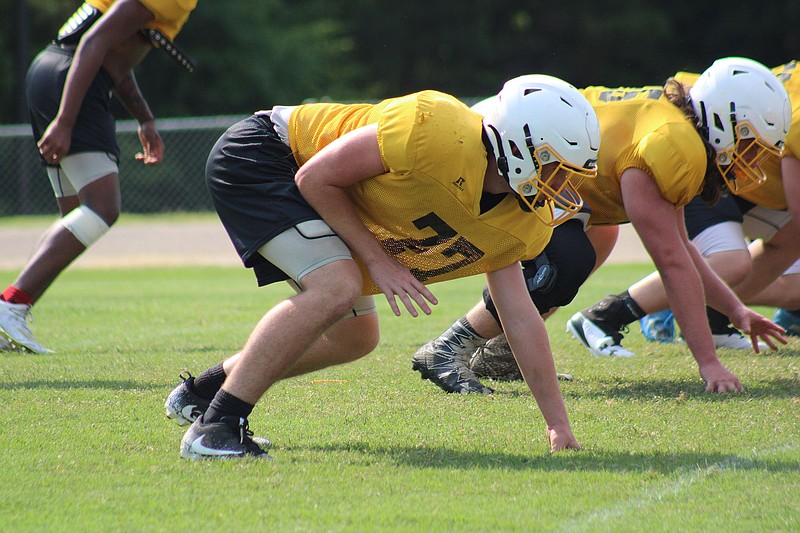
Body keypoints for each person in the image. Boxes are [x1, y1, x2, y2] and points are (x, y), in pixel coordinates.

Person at [164, 74, 601, 459]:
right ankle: (217, 428)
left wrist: (557, 424)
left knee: (356, 338)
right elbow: (315, 177)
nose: (563, 187)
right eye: (556, 169)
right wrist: (380, 261)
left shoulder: (521, 222)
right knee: (336, 286)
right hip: (267, 154)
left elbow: (521, 318)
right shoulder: (436, 131)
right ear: (520, 146)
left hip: (326, 197)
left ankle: (203, 394)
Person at [412, 57, 790, 396]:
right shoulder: (675, 143)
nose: (752, 159)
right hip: (507, 159)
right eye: (751, 143)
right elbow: (672, 263)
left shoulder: (677, 130)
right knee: (564, 263)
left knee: (600, 237)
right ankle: (449, 347)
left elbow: (682, 250)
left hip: (540, 170)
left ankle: (501, 355)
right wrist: (708, 362)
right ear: (726, 122)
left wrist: (735, 310)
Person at [0, 0, 198, 353]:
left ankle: (13, 307)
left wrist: (144, 118)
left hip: (55, 71)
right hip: (73, 80)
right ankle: (11, 304)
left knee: (76, 215)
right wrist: (65, 121)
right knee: (102, 208)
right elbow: (93, 43)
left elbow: (113, 56)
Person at [635, 60, 800, 345]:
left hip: (746, 168)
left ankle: (708, 312)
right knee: (729, 261)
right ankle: (624, 311)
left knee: (792, 284)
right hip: (724, 157)